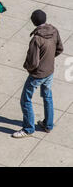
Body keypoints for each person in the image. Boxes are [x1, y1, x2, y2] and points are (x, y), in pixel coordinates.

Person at [12, 10, 63, 138]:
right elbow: (59, 49)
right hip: (50, 71)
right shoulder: (54, 31)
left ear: (33, 22)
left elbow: (33, 62)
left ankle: (28, 128)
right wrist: (48, 59)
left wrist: (28, 68)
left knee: (25, 100)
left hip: (38, 75)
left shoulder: (37, 39)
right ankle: (48, 124)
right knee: (47, 97)